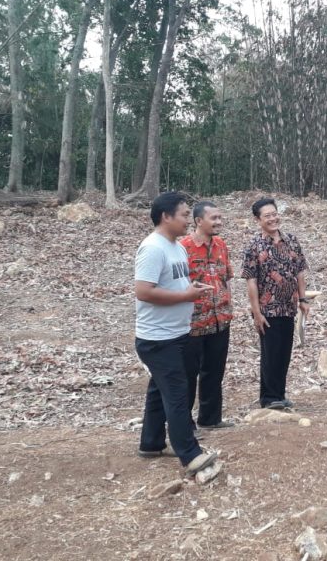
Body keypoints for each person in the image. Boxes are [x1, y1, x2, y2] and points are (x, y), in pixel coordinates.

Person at [134, 191, 217, 476]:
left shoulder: (177, 247)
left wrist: (192, 289)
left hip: (177, 332)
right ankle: (190, 455)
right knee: (177, 394)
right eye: (183, 215)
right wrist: (185, 296)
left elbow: (177, 283)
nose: (187, 220)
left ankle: (151, 443)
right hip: (158, 338)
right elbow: (143, 291)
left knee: (160, 390)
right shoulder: (152, 248)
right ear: (165, 216)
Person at [241, 197, 309, 409]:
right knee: (270, 353)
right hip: (267, 309)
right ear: (258, 220)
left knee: (284, 352)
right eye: (267, 216)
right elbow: (251, 280)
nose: (273, 219)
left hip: (288, 307)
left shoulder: (291, 241)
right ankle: (269, 398)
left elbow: (299, 271)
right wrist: (256, 312)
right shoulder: (254, 246)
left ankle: (279, 394)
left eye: (274, 214)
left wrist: (303, 299)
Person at [181, 201, 234, 430]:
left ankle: (210, 418)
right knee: (188, 374)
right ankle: (184, 424)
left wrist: (228, 306)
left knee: (214, 371)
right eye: (214, 218)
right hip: (193, 322)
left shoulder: (221, 245)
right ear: (198, 221)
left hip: (220, 319)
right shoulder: (183, 247)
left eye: (220, 218)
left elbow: (226, 278)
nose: (218, 222)